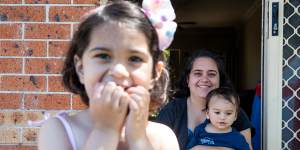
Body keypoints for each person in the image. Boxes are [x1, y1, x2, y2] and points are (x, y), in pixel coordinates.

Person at [38, 0, 179, 149]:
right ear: (80, 68)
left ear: (154, 73)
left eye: (135, 58)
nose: (119, 71)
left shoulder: (163, 137)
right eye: (103, 56)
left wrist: (138, 139)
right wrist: (105, 130)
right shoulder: (58, 130)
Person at [156, 49, 253, 150]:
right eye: (198, 73)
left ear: (220, 79)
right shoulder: (172, 111)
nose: (205, 79)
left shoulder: (234, 111)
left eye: (211, 74)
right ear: (188, 80)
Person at [186, 87, 250, 150]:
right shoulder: (199, 130)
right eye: (217, 112)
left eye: (228, 113)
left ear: (235, 116)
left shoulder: (237, 138)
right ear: (207, 114)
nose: (222, 117)